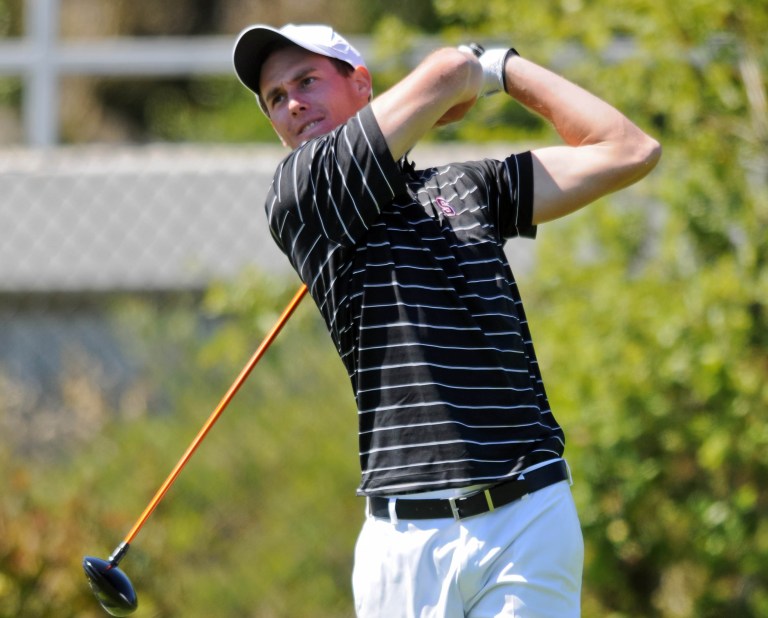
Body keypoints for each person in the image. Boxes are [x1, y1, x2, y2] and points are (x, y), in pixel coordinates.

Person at [233, 23, 660, 618]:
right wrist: (466, 71)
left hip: (527, 514)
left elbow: (629, 149)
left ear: (362, 85)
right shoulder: (302, 197)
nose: (293, 103)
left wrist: (504, 68)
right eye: (276, 98)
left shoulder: (467, 187)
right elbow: (441, 73)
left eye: (307, 80)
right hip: (406, 540)